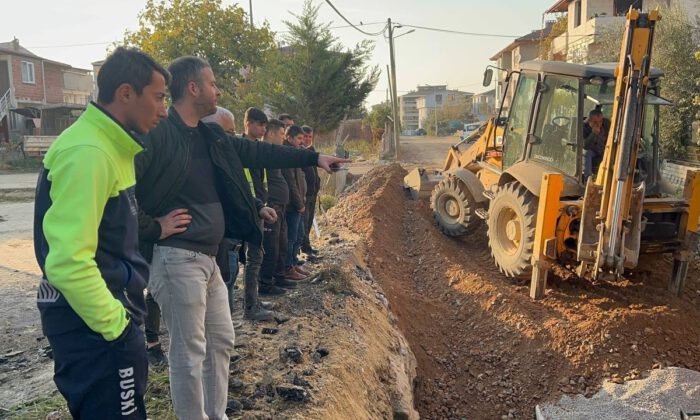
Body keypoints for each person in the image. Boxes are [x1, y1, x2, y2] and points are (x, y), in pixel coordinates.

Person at [134, 56, 349, 419]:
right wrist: (154, 228)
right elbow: (124, 195)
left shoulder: (211, 135)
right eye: (213, 83)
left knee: (220, 341)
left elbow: (259, 150)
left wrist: (313, 158)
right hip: (176, 258)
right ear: (193, 88)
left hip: (209, 258)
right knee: (188, 354)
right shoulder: (158, 134)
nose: (218, 90)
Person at [33, 47, 169, 419]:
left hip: (102, 321)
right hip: (95, 326)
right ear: (126, 93)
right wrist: (118, 327)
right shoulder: (89, 151)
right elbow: (67, 262)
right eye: (158, 98)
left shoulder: (109, 145)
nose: (163, 110)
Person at [240, 107, 277, 320]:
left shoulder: (257, 147)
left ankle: (252, 300)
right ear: (248, 124)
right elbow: (246, 185)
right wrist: (257, 205)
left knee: (257, 256)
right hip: (250, 209)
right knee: (252, 258)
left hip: (259, 205)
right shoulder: (241, 148)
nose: (263, 129)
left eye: (265, 125)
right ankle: (250, 307)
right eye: (260, 124)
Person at [259, 118, 297, 294]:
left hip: (280, 206)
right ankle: (266, 284)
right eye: (281, 134)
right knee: (271, 246)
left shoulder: (273, 152)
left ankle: (279, 276)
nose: (283, 138)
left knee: (281, 244)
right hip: (271, 206)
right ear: (272, 133)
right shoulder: (261, 152)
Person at [282, 125, 311, 280]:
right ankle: (288, 267)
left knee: (298, 236)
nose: (301, 141)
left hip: (299, 203)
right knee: (292, 238)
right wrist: (299, 203)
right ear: (289, 138)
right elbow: (291, 183)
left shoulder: (294, 153)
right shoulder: (286, 155)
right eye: (299, 138)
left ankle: (293, 263)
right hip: (293, 205)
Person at [300, 125, 321, 259]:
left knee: (308, 223)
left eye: (309, 137)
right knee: (303, 223)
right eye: (305, 137)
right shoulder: (298, 153)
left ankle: (307, 247)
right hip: (304, 196)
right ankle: (305, 250)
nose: (307, 139)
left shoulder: (311, 151)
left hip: (313, 194)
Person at [583, 109, 610, 182]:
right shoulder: (583, 128)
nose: (598, 125)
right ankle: (587, 179)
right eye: (595, 122)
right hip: (592, 151)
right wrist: (593, 134)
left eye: (600, 121)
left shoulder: (606, 125)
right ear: (589, 121)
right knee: (587, 153)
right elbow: (585, 146)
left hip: (604, 149)